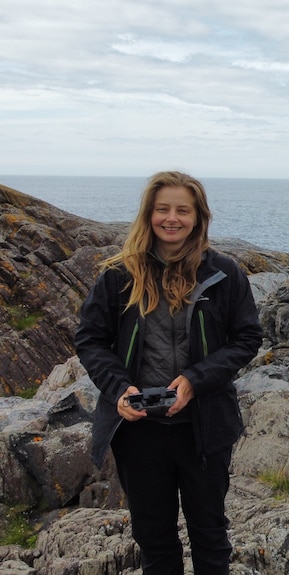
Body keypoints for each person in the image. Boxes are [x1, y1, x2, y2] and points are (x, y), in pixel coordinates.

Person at [75, 171, 263, 574]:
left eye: (182, 210)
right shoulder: (118, 276)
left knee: (210, 535)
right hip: (139, 430)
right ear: (149, 214)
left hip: (204, 427)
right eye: (163, 209)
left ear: (198, 217)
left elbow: (247, 338)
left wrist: (196, 380)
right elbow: (90, 339)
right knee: (155, 539)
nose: (171, 218)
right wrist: (119, 389)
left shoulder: (225, 274)